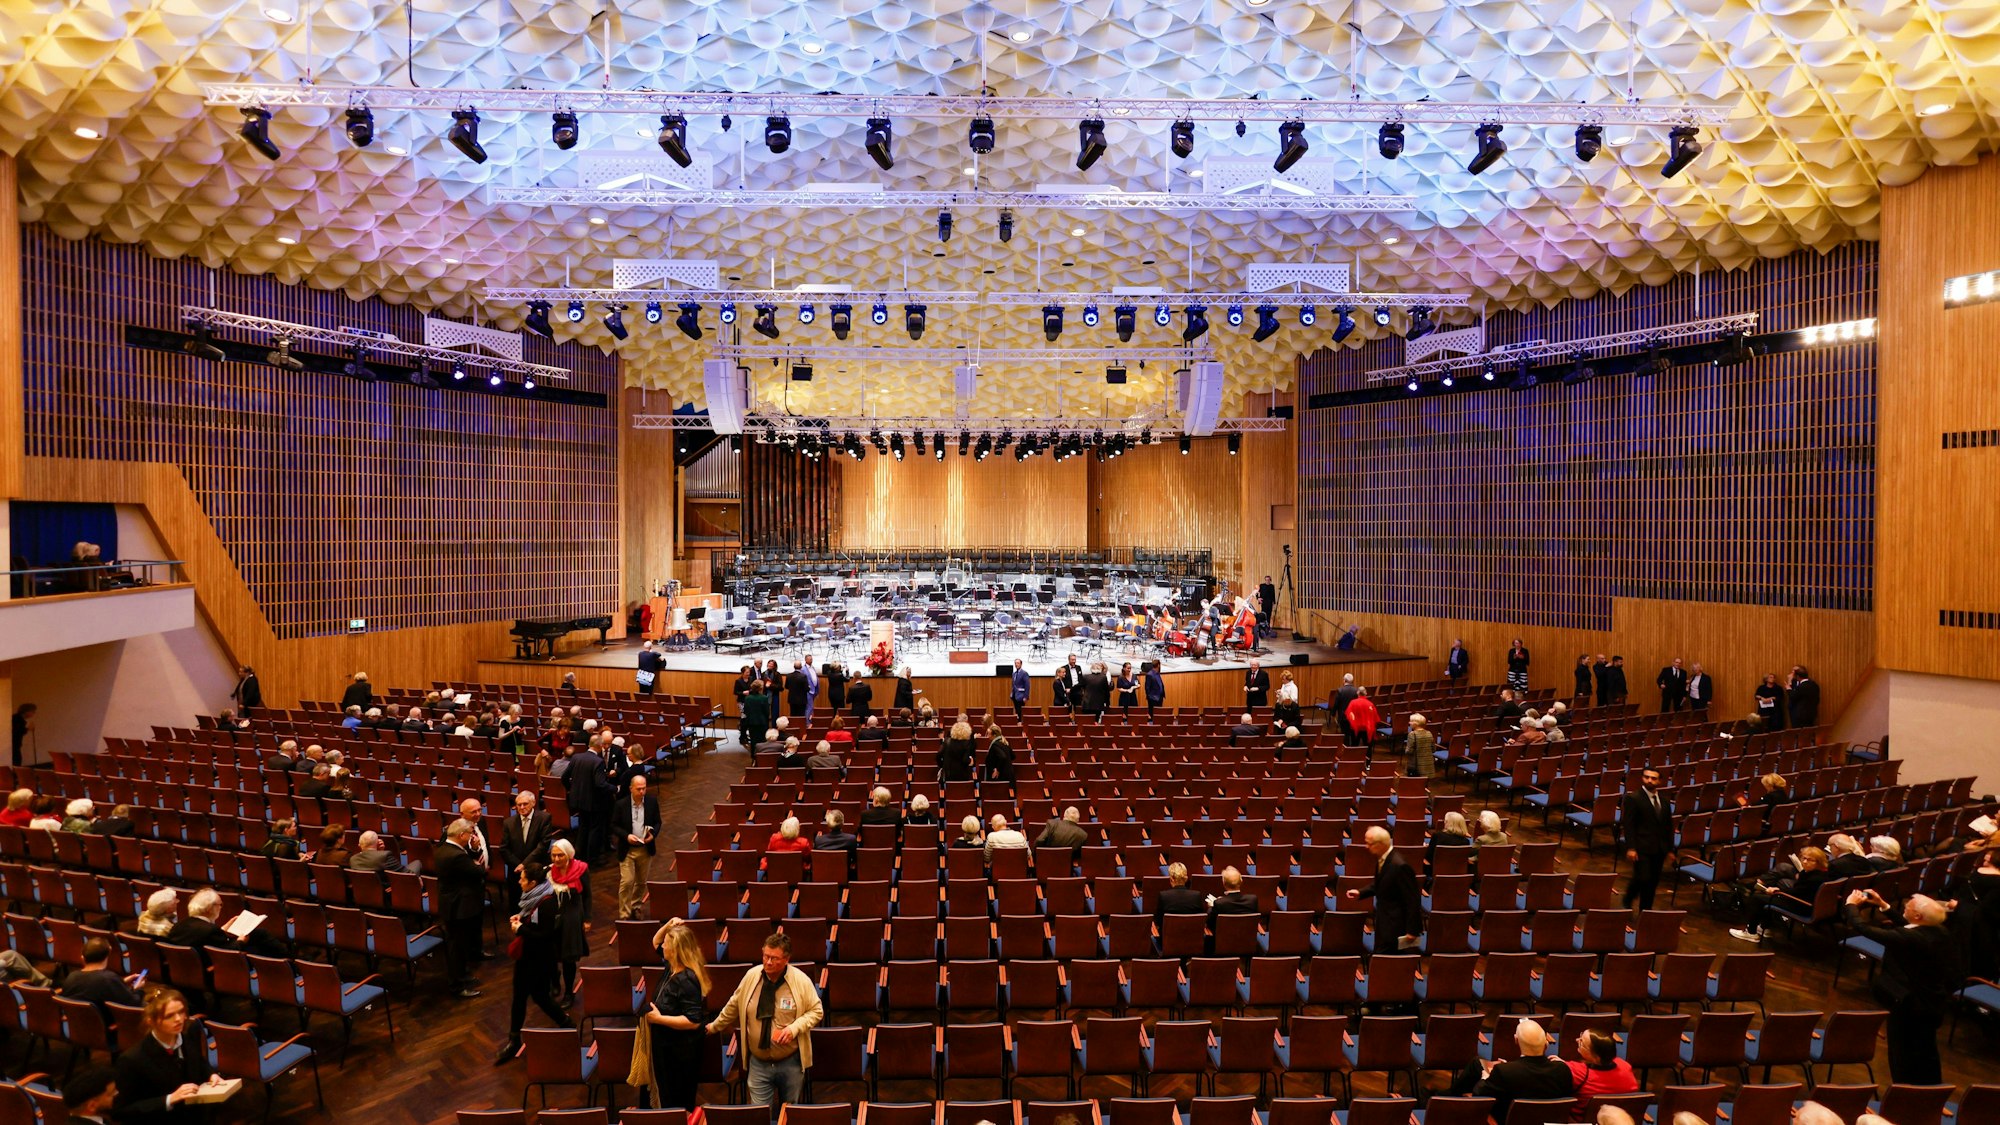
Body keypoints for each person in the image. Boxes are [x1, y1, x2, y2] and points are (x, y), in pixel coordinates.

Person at [1843, 889, 1961, 1084]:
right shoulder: (1939, 931)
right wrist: (1883, 904)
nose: (1905, 905)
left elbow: (1864, 928)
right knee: (1927, 1053)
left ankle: (1903, 1093)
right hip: (1932, 1003)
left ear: (1918, 915)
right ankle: (1930, 1093)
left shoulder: (1911, 938)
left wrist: (1851, 905)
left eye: (1909, 906)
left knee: (1901, 1054)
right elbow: (1910, 926)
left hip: (1910, 1005)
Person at [706, 934, 824, 1109]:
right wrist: (714, 1027)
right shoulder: (751, 977)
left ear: (786, 960)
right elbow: (733, 1006)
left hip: (790, 1062)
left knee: (789, 1113)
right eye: (765, 956)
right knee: (759, 1114)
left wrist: (794, 1028)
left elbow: (816, 1011)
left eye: (774, 958)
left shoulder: (801, 981)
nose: (768, 962)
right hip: (758, 1062)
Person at [495, 861, 574, 1065]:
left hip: (537, 959)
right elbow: (531, 917)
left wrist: (520, 929)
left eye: (522, 879)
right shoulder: (536, 896)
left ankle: (565, 1025)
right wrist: (521, 918)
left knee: (535, 997)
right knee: (527, 997)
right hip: (529, 958)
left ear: (533, 882)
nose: (519, 882)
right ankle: (517, 1038)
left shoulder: (546, 903)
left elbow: (545, 935)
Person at [114, 988, 224, 1124]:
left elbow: (199, 1063)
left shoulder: (188, 1034)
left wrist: (211, 1074)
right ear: (151, 1021)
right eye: (169, 1016)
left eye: (181, 1012)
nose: (179, 1019)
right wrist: (169, 1099)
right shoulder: (132, 1059)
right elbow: (123, 1110)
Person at [1446, 1019, 1571, 1122]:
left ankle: (1443, 1100)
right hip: (1544, 1121)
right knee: (1477, 1063)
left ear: (1516, 1040)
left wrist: (1485, 1077)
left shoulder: (1505, 1072)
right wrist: (1508, 1067)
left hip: (1506, 1119)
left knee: (1479, 1068)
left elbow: (1479, 1094)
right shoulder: (1563, 1069)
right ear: (1546, 1044)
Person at [643, 919, 711, 1109]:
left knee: (675, 1100)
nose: (662, 946)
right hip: (665, 1045)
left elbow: (693, 1021)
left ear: (675, 950)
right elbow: (655, 941)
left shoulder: (687, 979)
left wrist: (659, 1019)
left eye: (667, 944)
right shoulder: (671, 966)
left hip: (679, 1052)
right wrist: (668, 925)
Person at [1730, 846, 1832, 944]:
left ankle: (1751, 932)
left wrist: (1778, 892)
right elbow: (1798, 891)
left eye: (1810, 860)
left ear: (1818, 862)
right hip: (1803, 903)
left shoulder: (1813, 878)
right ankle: (1765, 927)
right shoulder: (1817, 873)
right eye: (1803, 858)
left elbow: (1797, 893)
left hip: (1800, 906)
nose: (1805, 862)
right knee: (1769, 895)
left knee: (1757, 898)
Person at [1345, 826, 1421, 951]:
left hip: (1396, 927)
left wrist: (1412, 931)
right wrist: (1361, 892)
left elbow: (1413, 900)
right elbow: (1382, 883)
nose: (1366, 847)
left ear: (1380, 844)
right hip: (1385, 920)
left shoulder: (1400, 866)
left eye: (1369, 844)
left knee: (1389, 962)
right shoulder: (1384, 858)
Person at [436, 819, 487, 999]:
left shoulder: (442, 847)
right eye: (469, 834)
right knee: (457, 948)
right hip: (459, 907)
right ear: (461, 835)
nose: (471, 837)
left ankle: (463, 975)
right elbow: (479, 871)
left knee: (459, 945)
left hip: (451, 904)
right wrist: (477, 851)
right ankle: (457, 986)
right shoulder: (457, 855)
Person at [1620, 768, 1674, 912]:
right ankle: (1628, 899)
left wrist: (1670, 849)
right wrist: (1631, 847)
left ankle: (1646, 910)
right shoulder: (1634, 798)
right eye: (1647, 777)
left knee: (1653, 881)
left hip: (1659, 848)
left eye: (1653, 778)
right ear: (1642, 778)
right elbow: (1629, 825)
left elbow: (1668, 826)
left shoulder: (1664, 802)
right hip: (1641, 846)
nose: (1650, 780)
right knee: (1643, 878)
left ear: (1659, 781)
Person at [611, 775, 660, 921]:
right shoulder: (621, 804)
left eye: (644, 788)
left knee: (641, 882)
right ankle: (625, 914)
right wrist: (626, 836)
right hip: (627, 850)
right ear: (631, 788)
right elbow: (613, 825)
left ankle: (636, 906)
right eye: (638, 789)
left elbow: (658, 822)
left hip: (645, 849)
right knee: (626, 882)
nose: (642, 792)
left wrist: (653, 835)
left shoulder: (651, 802)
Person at [547, 838, 590, 997]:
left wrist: (587, 919)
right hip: (553, 919)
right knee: (550, 955)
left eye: (560, 856)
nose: (556, 859)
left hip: (572, 918)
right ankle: (555, 983)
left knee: (568, 958)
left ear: (568, 855)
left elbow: (587, 896)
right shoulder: (549, 872)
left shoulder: (581, 869)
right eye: (553, 856)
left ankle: (569, 993)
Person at [59, 937, 143, 1016]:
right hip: (105, 1027)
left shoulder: (71, 977)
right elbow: (133, 1004)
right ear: (109, 952)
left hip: (75, 1027)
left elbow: (91, 989)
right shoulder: (108, 979)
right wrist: (137, 989)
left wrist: (121, 983)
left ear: (83, 958)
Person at [564, 735, 611, 863]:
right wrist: (614, 788)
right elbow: (600, 784)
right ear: (600, 746)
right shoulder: (598, 762)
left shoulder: (576, 757)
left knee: (583, 826)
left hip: (577, 800)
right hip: (593, 802)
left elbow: (564, 777)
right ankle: (593, 857)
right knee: (595, 829)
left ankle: (580, 854)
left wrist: (571, 789)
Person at [1564, 1029, 1638, 1110]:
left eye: (1582, 1042)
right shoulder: (1625, 1066)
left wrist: (1561, 1064)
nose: (1577, 1040)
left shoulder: (1575, 1071)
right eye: (1581, 1036)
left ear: (1596, 1058)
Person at [1156, 863, 1207, 932]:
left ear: (1171, 879)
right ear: (1186, 879)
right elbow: (1200, 921)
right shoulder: (1196, 896)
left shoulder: (1164, 896)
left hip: (1168, 939)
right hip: (1192, 938)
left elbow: (1158, 921)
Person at [1402, 714, 1437, 778]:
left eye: (1411, 721)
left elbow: (1409, 751)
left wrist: (1406, 749)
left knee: (1414, 785)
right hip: (1428, 765)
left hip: (1416, 766)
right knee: (1424, 785)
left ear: (1415, 723)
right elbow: (1434, 749)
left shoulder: (1412, 734)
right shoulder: (1429, 733)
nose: (1409, 723)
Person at [1333, 674, 1360, 741]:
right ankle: (1353, 749)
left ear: (1344, 680)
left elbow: (1336, 704)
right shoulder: (1356, 691)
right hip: (1353, 716)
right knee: (1353, 733)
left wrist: (1333, 713)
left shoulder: (1340, 690)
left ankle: (1346, 749)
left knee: (1345, 735)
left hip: (1343, 716)